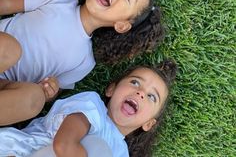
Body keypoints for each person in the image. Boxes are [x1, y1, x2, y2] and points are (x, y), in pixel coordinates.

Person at [0, 0, 165, 126]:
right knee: (10, 50)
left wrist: (49, 91)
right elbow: (4, 4)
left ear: (122, 25)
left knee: (34, 99)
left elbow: (53, 91)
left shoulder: (85, 62)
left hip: (6, 85)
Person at [0, 60, 177, 157]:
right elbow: (64, 145)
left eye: (151, 96)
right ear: (111, 89)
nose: (140, 93)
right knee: (97, 146)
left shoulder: (121, 153)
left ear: (148, 124)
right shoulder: (92, 106)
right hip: (17, 151)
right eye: (135, 82)